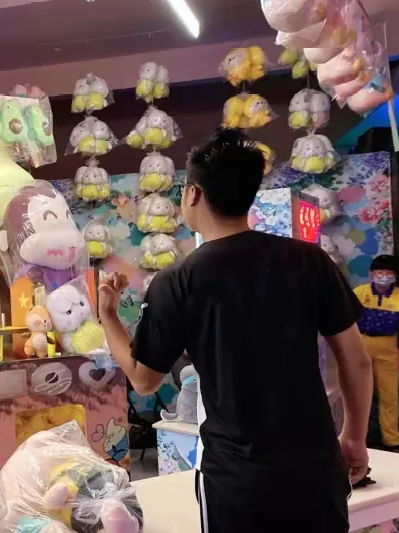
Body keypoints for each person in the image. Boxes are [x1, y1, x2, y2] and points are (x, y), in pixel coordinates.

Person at [97, 129, 373, 533]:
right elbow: (357, 361)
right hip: (315, 470)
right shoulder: (309, 260)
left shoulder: (177, 281)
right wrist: (353, 438)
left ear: (193, 194)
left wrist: (108, 316)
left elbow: (143, 380)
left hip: (237, 480)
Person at [353, 255, 399, 450]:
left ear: (395, 276)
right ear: (371, 274)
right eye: (379, 273)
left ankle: (392, 440)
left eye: (388, 273)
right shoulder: (359, 293)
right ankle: (357, 438)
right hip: (362, 344)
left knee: (389, 395)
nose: (383, 277)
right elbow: (349, 321)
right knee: (359, 393)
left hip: (389, 347)